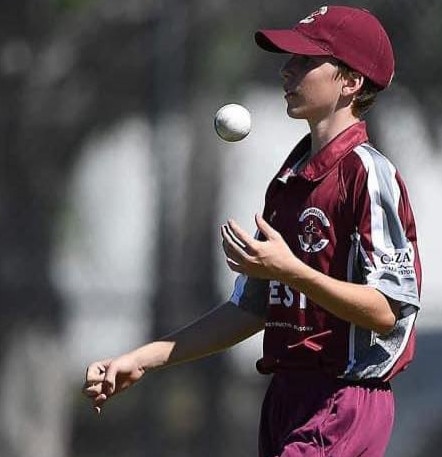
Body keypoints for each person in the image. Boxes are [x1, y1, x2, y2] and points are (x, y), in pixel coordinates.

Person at [83, 5, 422, 457]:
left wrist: (293, 270)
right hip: (286, 398)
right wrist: (141, 358)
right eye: (290, 59)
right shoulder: (289, 181)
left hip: (342, 399)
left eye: (305, 61)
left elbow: (387, 309)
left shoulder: (366, 174)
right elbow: (249, 310)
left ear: (351, 81)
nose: (287, 70)